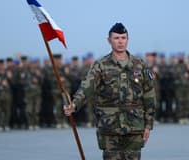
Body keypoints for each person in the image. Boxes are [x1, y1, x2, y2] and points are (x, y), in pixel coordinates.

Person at [63, 23, 155, 160]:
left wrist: (148, 124)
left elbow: (149, 95)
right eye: (116, 38)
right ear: (109, 40)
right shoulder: (101, 65)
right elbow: (87, 87)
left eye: (123, 38)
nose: (120, 41)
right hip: (110, 126)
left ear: (127, 39)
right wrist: (74, 104)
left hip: (135, 126)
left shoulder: (139, 65)